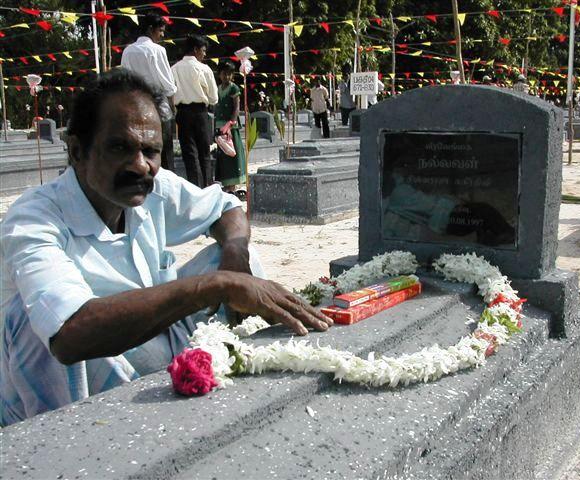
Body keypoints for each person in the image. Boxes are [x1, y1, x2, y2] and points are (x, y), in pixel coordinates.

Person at [0, 70, 332, 426]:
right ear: (78, 151)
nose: (140, 164)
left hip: (143, 346)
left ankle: (208, 389)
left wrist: (235, 253)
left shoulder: (151, 187)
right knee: (35, 321)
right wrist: (216, 285)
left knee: (232, 260)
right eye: (119, 147)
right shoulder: (35, 219)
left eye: (151, 151)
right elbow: (69, 337)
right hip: (68, 380)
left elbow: (227, 208)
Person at [121, 14, 177, 171]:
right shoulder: (158, 51)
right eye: (161, 31)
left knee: (139, 147)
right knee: (163, 149)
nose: (162, 35)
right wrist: (172, 106)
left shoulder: (128, 51)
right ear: (151, 29)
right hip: (158, 103)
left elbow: (125, 78)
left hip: (135, 104)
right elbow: (168, 83)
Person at [172, 34, 218, 188]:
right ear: (195, 49)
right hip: (200, 113)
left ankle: (195, 188)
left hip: (183, 113)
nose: (204, 54)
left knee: (189, 154)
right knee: (204, 153)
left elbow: (170, 92)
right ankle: (207, 187)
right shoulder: (204, 69)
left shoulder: (174, 69)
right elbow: (213, 98)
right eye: (203, 51)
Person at [214, 62, 246, 198]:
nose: (226, 76)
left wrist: (230, 124)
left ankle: (233, 186)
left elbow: (236, 107)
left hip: (230, 126)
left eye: (229, 73)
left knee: (232, 155)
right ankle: (226, 185)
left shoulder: (234, 88)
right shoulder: (217, 88)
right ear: (219, 74)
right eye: (224, 73)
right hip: (218, 126)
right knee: (222, 157)